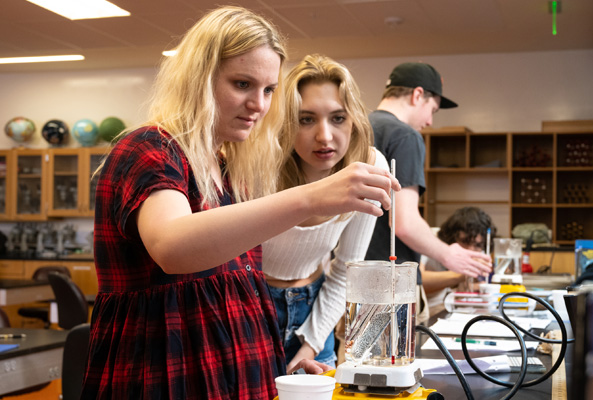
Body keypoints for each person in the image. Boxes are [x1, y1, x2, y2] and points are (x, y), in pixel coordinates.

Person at [83, 7, 399, 400]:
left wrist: (285, 360)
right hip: (164, 374)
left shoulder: (227, 168)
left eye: (268, 90)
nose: (259, 105)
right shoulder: (150, 148)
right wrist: (309, 198)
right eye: (242, 83)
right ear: (198, 78)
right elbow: (173, 247)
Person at [261, 54, 389, 373]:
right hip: (252, 310)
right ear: (287, 122)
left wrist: (312, 343)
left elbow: (346, 269)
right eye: (306, 119)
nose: (325, 137)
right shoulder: (260, 167)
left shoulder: (369, 167)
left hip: (317, 309)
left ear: (354, 118)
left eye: (337, 118)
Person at [365, 62, 492, 323]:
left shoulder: (357, 128)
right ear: (417, 95)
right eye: (432, 110)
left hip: (353, 282)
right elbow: (403, 222)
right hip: (392, 287)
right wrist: (449, 254)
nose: (430, 121)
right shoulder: (405, 135)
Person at [420, 207, 497, 315]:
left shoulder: (480, 251)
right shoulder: (429, 241)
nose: (470, 250)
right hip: (428, 313)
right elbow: (417, 281)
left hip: (455, 311)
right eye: (465, 242)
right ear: (451, 236)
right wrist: (461, 274)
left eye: (478, 245)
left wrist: (480, 287)